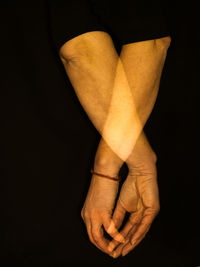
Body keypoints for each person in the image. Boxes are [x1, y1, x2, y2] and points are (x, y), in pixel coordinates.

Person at [0, 1, 175, 266]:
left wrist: (112, 168)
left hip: (40, 189)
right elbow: (147, 36)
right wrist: (135, 167)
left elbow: (81, 48)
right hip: (163, 186)